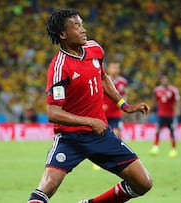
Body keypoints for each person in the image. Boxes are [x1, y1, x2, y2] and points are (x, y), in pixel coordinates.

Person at [27, 8, 152, 203]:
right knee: (46, 188)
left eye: (82, 24)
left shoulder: (94, 49)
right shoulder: (59, 68)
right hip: (71, 138)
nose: (83, 29)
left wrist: (123, 104)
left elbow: (102, 77)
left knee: (143, 183)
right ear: (63, 34)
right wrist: (89, 121)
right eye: (76, 26)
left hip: (100, 136)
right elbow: (52, 112)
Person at [149, 75, 180, 157]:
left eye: (166, 80)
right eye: (163, 80)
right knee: (158, 131)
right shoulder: (157, 90)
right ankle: (155, 147)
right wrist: (150, 110)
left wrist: (176, 112)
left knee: (172, 132)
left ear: (168, 81)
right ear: (161, 81)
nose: (164, 82)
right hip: (161, 114)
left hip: (170, 115)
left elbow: (176, 102)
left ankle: (173, 149)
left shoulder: (173, 90)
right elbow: (154, 101)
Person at [102, 62, 128, 138]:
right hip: (103, 112)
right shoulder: (104, 80)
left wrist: (125, 107)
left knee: (117, 133)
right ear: (108, 69)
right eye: (113, 67)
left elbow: (124, 95)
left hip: (116, 112)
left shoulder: (123, 82)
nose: (115, 69)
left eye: (116, 67)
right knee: (102, 133)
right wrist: (100, 105)